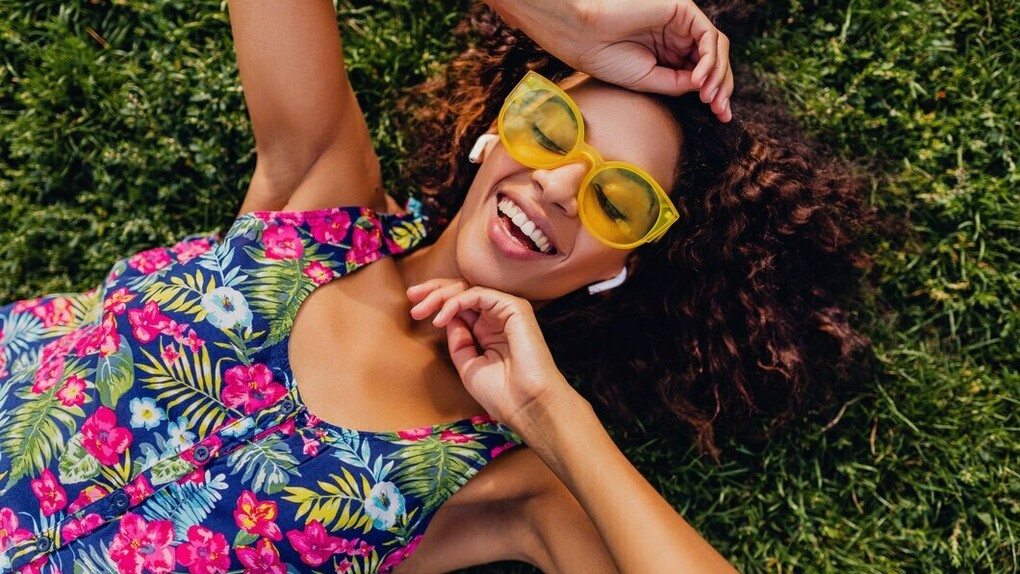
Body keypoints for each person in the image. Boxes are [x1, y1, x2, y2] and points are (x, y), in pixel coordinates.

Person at [0, 1, 867, 572]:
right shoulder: (322, 204)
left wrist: (554, 416)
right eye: (553, 128)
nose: (559, 188)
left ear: (625, 268)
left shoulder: (510, 481)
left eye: (617, 199)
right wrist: (556, 12)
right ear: (498, 130)